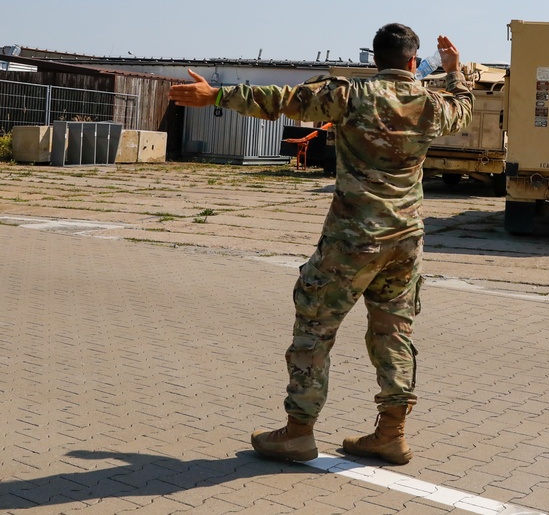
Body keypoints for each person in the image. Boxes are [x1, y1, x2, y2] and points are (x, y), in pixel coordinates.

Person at [169, 24, 474, 464]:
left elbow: (281, 100)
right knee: (394, 334)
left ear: (375, 60)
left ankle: (298, 433)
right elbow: (462, 108)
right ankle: (391, 434)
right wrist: (454, 70)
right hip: (405, 242)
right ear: (412, 62)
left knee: (314, 329)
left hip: (352, 241)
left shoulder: (352, 95)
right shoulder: (431, 105)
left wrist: (216, 95)